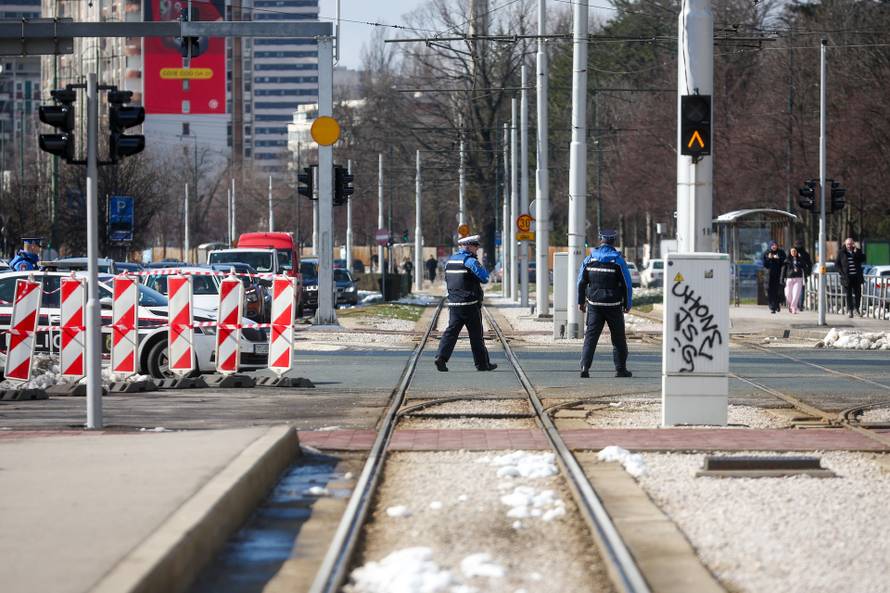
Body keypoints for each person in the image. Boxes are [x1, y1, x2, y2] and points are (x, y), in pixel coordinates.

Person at [434, 235, 496, 372]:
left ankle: (441, 358)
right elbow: (485, 278)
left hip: (454, 304)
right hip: (470, 305)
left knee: (450, 333)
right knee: (476, 336)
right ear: (469, 247)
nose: (477, 250)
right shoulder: (470, 261)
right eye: (476, 247)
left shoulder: (449, 262)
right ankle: (482, 364)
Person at [577, 229, 633, 378]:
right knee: (618, 338)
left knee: (591, 337)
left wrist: (580, 302)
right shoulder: (618, 261)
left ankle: (585, 368)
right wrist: (628, 303)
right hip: (613, 306)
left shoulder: (589, 259)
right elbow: (627, 284)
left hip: (594, 304)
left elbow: (581, 283)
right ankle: (620, 369)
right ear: (613, 241)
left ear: (600, 240)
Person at [836, 237, 866, 318]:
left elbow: (864, 259)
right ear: (845, 244)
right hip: (847, 277)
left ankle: (857, 309)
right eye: (848, 244)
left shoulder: (857, 251)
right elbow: (837, 264)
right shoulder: (841, 252)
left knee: (858, 294)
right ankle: (850, 310)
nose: (849, 246)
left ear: (853, 244)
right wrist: (841, 273)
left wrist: (857, 253)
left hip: (856, 277)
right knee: (848, 294)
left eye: (851, 244)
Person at [762, 241, 786, 314]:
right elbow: (765, 264)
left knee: (778, 291)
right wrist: (769, 258)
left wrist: (778, 258)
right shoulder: (767, 253)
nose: (774, 246)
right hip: (769, 276)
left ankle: (777, 304)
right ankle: (772, 306)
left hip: (778, 275)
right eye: (772, 245)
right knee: (770, 291)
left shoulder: (781, 252)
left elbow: (784, 262)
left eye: (775, 245)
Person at [782, 247, 806, 314]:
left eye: (795, 251)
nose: (793, 252)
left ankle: (793, 307)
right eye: (792, 251)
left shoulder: (799, 259)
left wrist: (800, 258)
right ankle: (790, 304)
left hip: (798, 278)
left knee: (796, 294)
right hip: (789, 279)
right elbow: (783, 270)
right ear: (790, 252)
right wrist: (782, 279)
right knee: (788, 294)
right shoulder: (787, 260)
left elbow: (804, 266)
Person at [793, 239, 813, 311]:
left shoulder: (804, 254)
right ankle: (798, 304)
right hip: (795, 274)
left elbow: (809, 264)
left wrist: (808, 272)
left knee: (800, 289)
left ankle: (800, 305)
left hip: (801, 273)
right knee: (799, 289)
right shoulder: (793, 253)